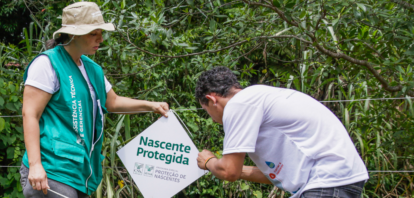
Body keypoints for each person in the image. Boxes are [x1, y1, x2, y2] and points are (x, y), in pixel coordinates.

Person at [20, 2, 170, 198]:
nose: (100, 38)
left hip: (80, 172)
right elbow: (30, 113)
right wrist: (35, 165)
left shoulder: (92, 69)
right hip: (52, 169)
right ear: (73, 34)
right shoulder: (47, 64)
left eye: (100, 32)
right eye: (93, 33)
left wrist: (151, 106)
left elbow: (112, 102)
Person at [193, 67, 368, 198]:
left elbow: (229, 172)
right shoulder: (260, 97)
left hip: (326, 181)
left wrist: (209, 161)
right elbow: (270, 175)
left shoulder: (239, 104)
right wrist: (223, 166)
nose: (214, 120)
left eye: (207, 111)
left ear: (211, 99)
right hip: (341, 179)